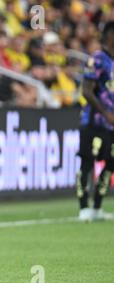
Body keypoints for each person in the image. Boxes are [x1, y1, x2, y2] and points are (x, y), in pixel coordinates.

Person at [76, 21, 114, 221]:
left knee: (110, 164)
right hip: (93, 122)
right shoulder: (98, 59)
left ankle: (98, 207)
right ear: (110, 36)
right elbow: (87, 90)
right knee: (87, 163)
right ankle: (83, 207)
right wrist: (106, 113)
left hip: (111, 125)